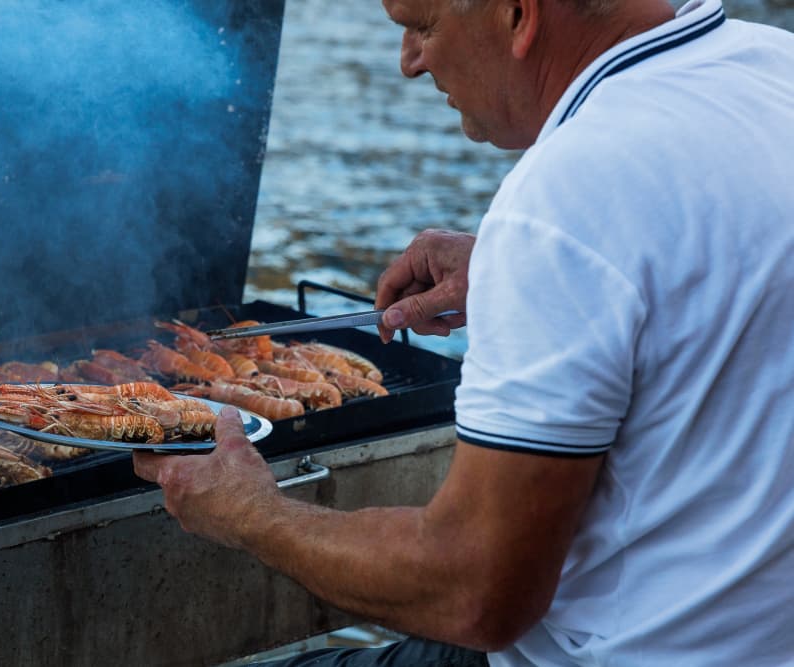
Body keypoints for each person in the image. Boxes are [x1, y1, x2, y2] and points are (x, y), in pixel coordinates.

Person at [134, 0, 794, 663]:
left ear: (517, 14)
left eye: (421, 26)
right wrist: (527, 273)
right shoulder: (770, 66)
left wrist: (252, 513)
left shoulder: (570, 193)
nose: (409, 63)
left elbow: (475, 591)